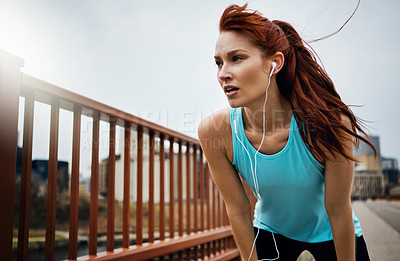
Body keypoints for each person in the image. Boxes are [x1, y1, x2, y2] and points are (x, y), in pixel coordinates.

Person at [198, 4, 375, 261]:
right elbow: (237, 209)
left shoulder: (328, 124)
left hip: (331, 231)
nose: (223, 74)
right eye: (218, 62)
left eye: (236, 58)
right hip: (271, 231)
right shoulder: (215, 132)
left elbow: (338, 209)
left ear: (275, 63)